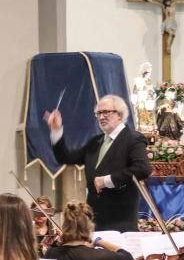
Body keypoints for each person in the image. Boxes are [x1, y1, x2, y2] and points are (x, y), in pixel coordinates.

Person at [45, 94, 151, 232]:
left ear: (119, 115)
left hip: (120, 220)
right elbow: (66, 157)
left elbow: (143, 169)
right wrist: (56, 130)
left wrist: (107, 181)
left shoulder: (133, 138)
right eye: (98, 113)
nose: (101, 117)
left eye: (106, 112)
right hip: (94, 220)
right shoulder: (95, 142)